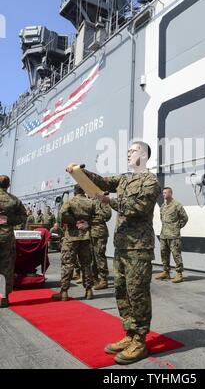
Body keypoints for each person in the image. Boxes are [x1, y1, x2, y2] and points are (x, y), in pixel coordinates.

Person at [66, 141, 161, 365]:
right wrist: (79, 172)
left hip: (139, 247)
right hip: (122, 246)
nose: (129, 153)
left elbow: (139, 207)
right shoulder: (125, 178)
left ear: (145, 155)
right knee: (122, 291)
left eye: (134, 150)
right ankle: (129, 334)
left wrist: (110, 200)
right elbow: (103, 182)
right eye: (128, 151)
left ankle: (139, 339)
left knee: (137, 293)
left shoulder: (151, 181)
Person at [52, 185, 95, 301]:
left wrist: (73, 222)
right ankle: (89, 290)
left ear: (75, 191)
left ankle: (64, 292)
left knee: (68, 263)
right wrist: (87, 223)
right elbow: (97, 217)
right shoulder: (90, 202)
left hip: (71, 237)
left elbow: (62, 214)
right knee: (86, 264)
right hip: (85, 237)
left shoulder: (70, 201)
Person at [0, 175, 27, 308]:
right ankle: (3, 297)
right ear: (8, 185)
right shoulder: (14, 200)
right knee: (6, 267)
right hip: (6, 236)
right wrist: (9, 221)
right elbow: (23, 216)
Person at [156, 187, 188, 283]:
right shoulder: (163, 206)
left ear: (171, 193)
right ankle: (166, 272)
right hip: (164, 234)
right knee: (163, 253)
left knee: (176, 254)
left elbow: (185, 218)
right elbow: (162, 219)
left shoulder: (177, 205)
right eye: (163, 193)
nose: (164, 194)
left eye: (166, 193)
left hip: (173, 235)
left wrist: (177, 227)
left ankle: (179, 274)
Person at [91, 199, 112, 290]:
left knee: (100, 255)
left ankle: (103, 280)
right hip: (89, 232)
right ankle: (95, 278)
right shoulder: (88, 201)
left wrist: (94, 216)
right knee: (91, 256)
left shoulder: (102, 201)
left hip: (99, 232)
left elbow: (107, 215)